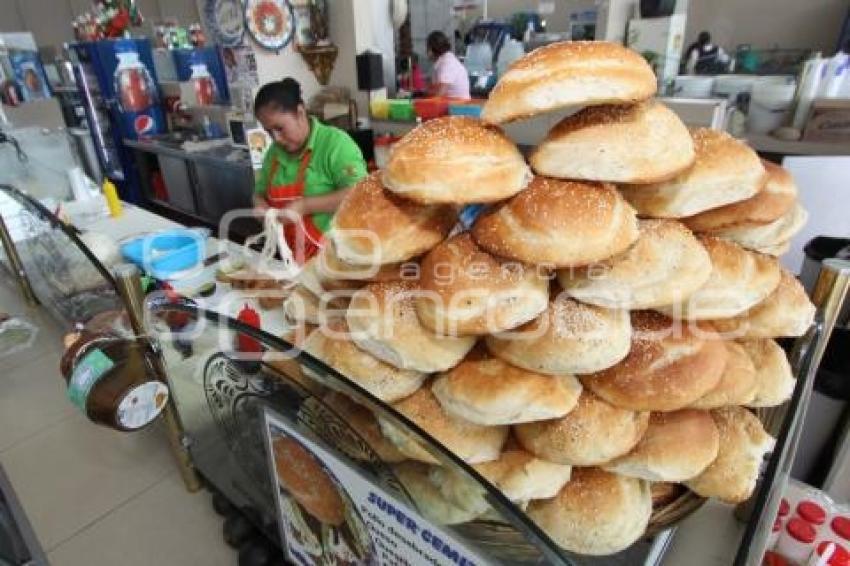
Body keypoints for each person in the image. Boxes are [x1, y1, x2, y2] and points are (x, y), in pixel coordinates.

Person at [252, 78, 367, 263]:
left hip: (335, 260)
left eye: (279, 128)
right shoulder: (273, 154)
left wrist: (304, 206)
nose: (276, 139)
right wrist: (260, 206)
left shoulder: (336, 144)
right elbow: (259, 193)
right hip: (290, 260)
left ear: (299, 112)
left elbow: (360, 194)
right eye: (268, 132)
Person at [426, 30, 470, 99]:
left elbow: (440, 93)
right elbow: (433, 87)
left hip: (457, 106)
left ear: (431, 49)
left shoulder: (447, 63)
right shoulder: (443, 61)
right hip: (450, 103)